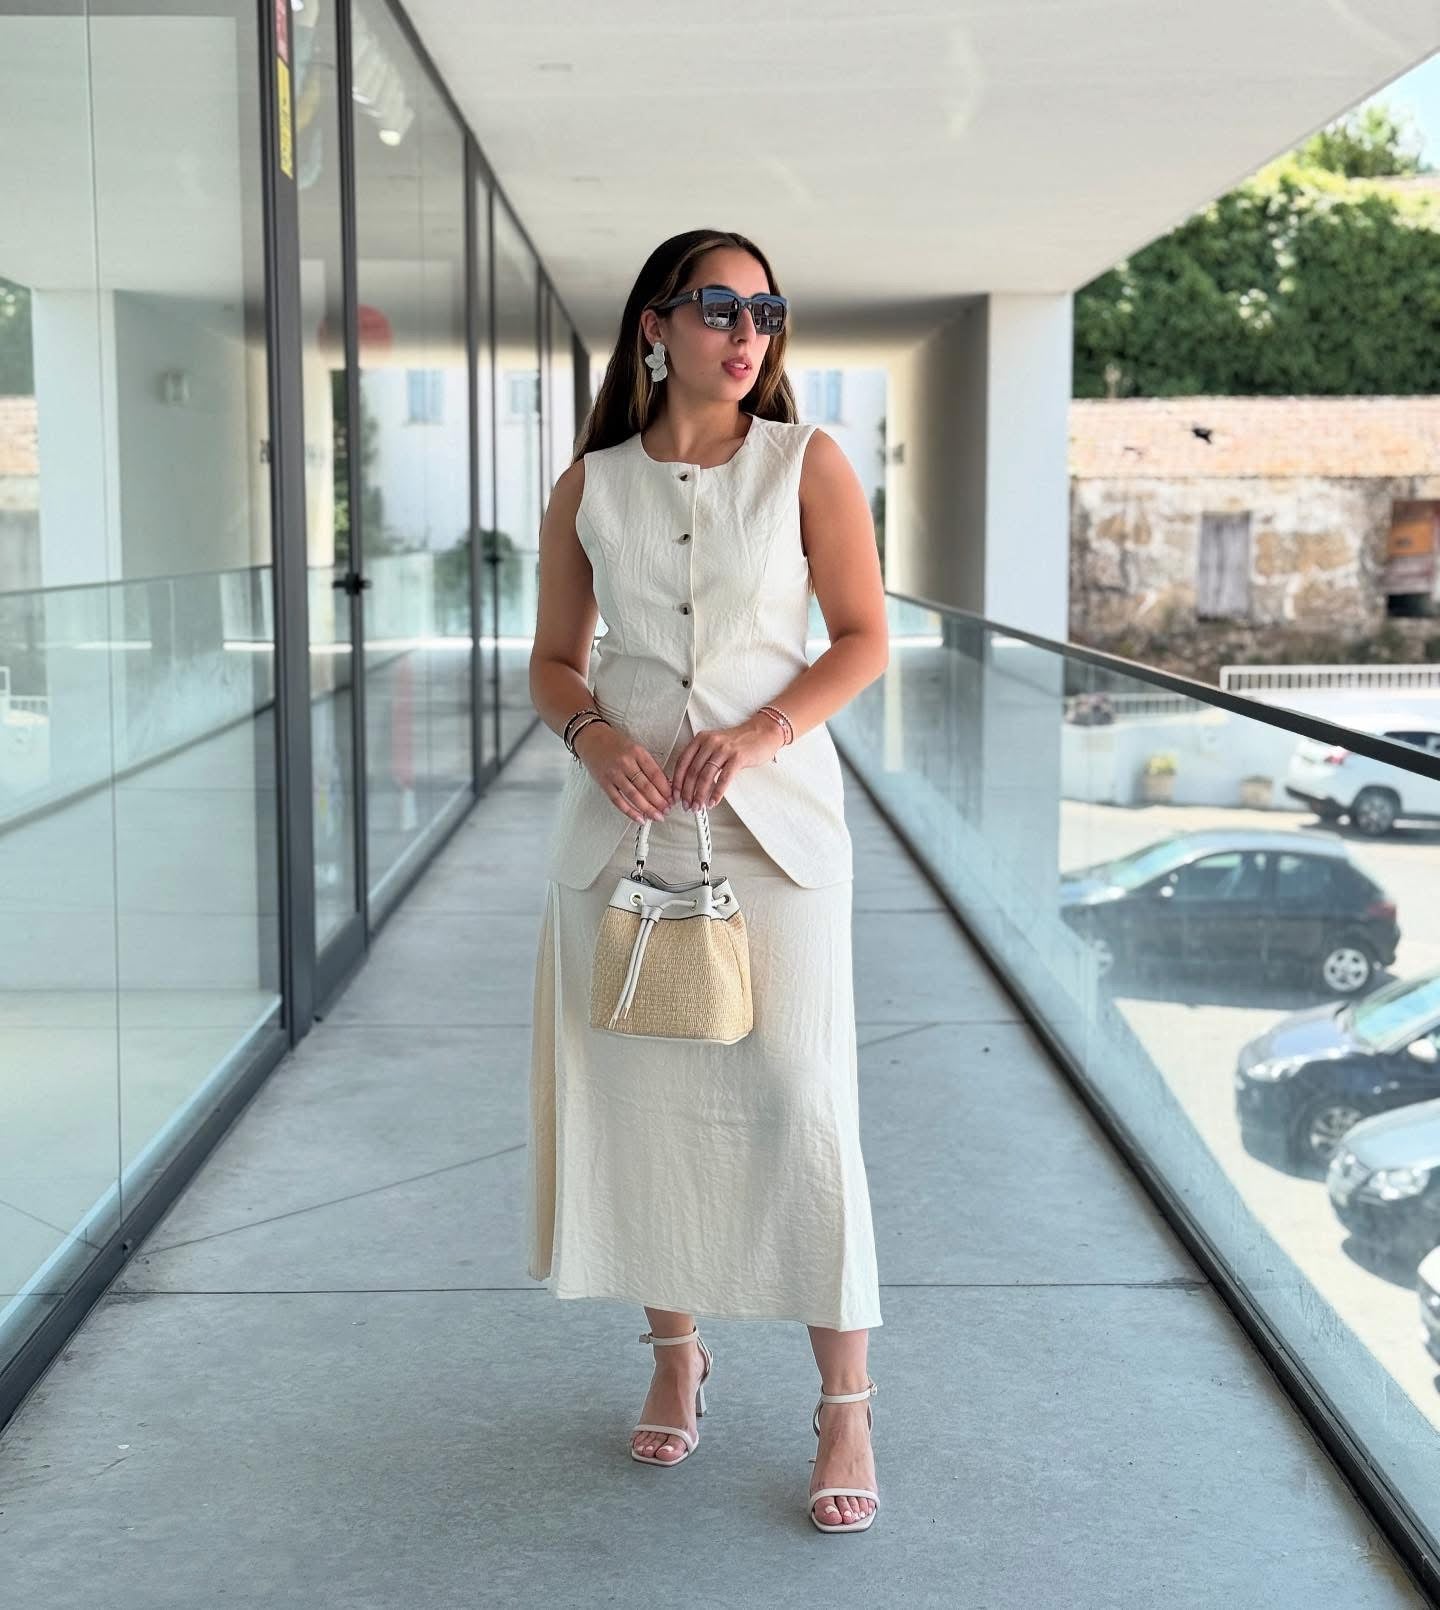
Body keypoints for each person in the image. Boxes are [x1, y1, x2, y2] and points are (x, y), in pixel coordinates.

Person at [526, 229, 889, 1533]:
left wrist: (762, 732)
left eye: (765, 312)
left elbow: (863, 639)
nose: (747, 334)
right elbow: (554, 662)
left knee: (803, 1100)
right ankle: (675, 1352)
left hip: (774, 831)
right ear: (656, 327)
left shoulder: (808, 463)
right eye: (720, 307)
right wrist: (595, 737)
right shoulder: (589, 487)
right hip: (624, 830)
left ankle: (844, 1403)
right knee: (644, 1103)